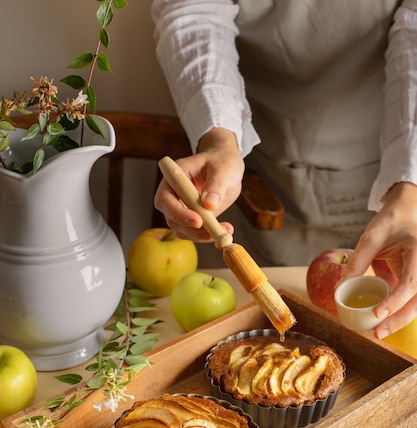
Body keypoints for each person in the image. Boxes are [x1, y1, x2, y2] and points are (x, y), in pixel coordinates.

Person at [151, 0, 417, 340]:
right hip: (260, 155)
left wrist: (408, 186)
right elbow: (193, 9)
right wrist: (219, 139)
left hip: (389, 151)